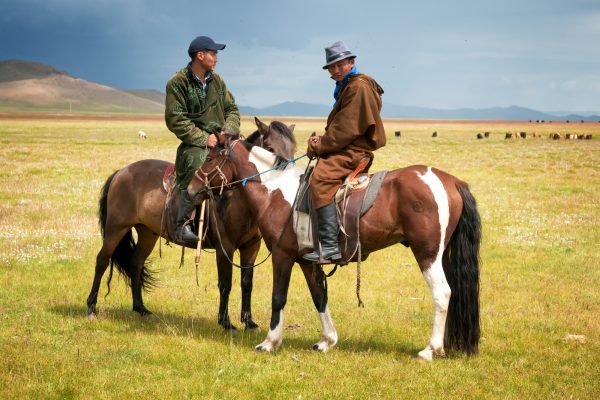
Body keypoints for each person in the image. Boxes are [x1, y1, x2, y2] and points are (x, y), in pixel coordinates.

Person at [303, 41, 386, 262]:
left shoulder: (358, 87)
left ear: (352, 62)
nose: (337, 69)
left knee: (320, 179)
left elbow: (346, 128)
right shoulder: (349, 85)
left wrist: (319, 145)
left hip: (352, 151)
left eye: (341, 64)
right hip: (348, 146)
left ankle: (330, 246)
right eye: (332, 66)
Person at [165, 36, 240, 242]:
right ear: (200, 55)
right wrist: (204, 139)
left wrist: (228, 131)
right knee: (199, 162)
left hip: (222, 139)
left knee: (242, 161)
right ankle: (183, 222)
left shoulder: (217, 81)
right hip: (195, 144)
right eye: (213, 53)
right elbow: (175, 118)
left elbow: (232, 109)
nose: (216, 58)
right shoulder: (178, 82)